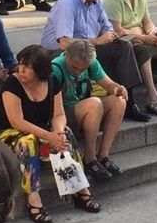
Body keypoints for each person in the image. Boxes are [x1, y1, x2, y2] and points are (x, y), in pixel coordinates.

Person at [0, 44, 99, 223]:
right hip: (4, 135)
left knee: (66, 133)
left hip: (37, 131)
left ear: (39, 70)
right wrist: (49, 136)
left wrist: (58, 133)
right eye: (20, 64)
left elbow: (58, 114)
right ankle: (33, 199)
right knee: (28, 141)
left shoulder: (51, 81)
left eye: (27, 67)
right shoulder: (12, 84)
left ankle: (80, 189)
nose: (21, 70)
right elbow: (17, 122)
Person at [40, 0, 152, 123]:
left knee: (124, 47)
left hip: (89, 48)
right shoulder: (68, 3)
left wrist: (111, 35)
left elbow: (107, 27)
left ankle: (129, 102)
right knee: (78, 53)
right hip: (61, 52)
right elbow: (65, 43)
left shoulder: (97, 1)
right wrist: (97, 41)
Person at [51, 38, 129, 182]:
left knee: (119, 101)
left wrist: (118, 89)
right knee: (94, 103)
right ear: (67, 55)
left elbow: (108, 84)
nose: (79, 71)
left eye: (83, 68)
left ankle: (103, 155)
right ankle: (90, 158)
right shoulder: (56, 68)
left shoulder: (91, 62)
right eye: (75, 67)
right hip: (63, 114)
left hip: (84, 108)